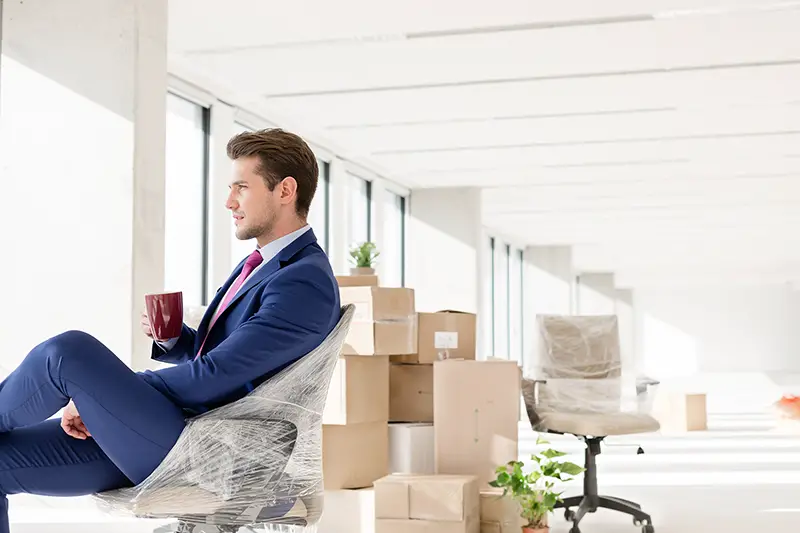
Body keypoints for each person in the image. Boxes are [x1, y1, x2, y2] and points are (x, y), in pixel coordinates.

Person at [0, 128, 340, 532]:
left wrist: (99, 397)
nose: (229, 202)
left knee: (68, 353)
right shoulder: (268, 266)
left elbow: (216, 377)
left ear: (285, 191)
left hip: (204, 452)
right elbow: (232, 362)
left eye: (241, 188)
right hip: (176, 434)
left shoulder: (302, 281)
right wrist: (178, 340)